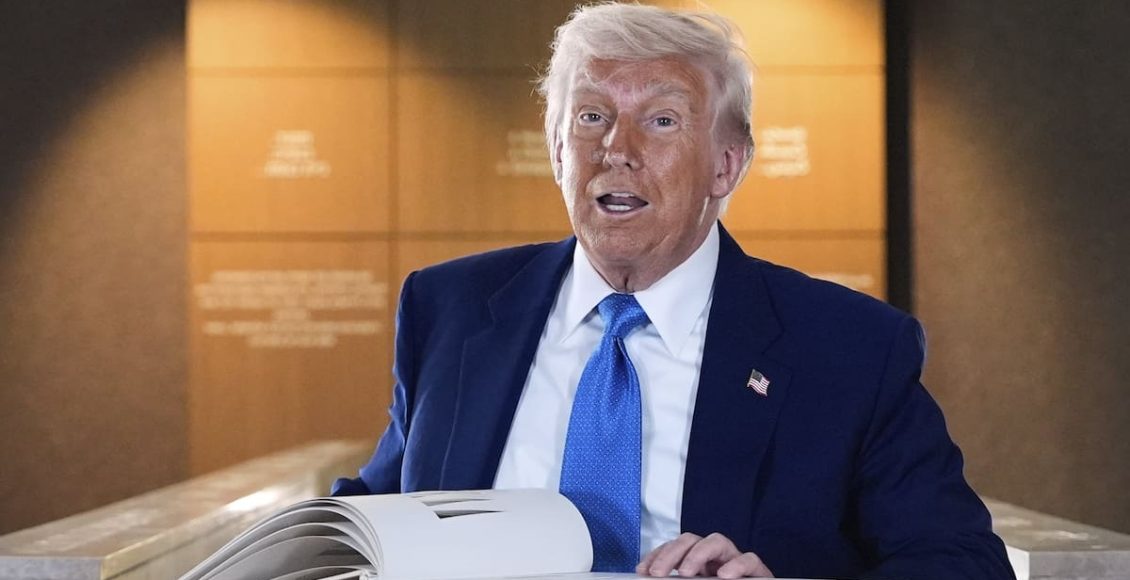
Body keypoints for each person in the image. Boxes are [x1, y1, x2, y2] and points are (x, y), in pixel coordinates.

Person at [333, 3, 1014, 579]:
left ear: (727, 164)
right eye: (591, 117)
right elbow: (377, 513)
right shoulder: (449, 308)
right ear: (557, 151)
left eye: (662, 121)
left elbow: (961, 562)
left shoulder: (849, 348)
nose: (617, 149)